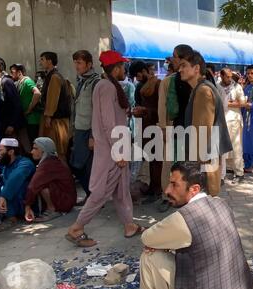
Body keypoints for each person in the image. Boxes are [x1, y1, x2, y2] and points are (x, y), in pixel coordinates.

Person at [66, 51, 145, 247]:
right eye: (122, 66)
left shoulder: (109, 86)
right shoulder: (106, 87)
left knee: (122, 191)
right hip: (113, 151)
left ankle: (129, 225)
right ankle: (77, 228)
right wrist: (118, 152)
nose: (124, 69)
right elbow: (108, 123)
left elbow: (113, 117)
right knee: (100, 193)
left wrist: (129, 112)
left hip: (116, 148)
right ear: (116, 67)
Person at [139, 162, 252, 289]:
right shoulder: (221, 203)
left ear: (194, 189)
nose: (167, 190)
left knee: (150, 256)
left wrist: (161, 244)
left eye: (174, 185)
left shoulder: (183, 219)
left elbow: (146, 238)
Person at [179, 50, 232, 196]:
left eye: (184, 65)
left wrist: (194, 166)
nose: (180, 69)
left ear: (196, 68)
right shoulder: (200, 88)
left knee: (207, 199)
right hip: (206, 157)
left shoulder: (203, 91)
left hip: (204, 159)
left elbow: (202, 132)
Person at [157, 45, 193, 212]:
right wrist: (164, 128)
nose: (172, 59)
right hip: (173, 128)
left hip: (192, 130)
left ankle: (187, 195)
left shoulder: (195, 81)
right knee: (170, 164)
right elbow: (162, 108)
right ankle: (168, 196)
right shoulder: (168, 82)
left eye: (175, 56)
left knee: (189, 163)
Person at [129, 61, 163, 203]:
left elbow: (161, 109)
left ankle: (157, 189)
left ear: (144, 70)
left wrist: (146, 111)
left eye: (138, 75)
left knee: (157, 160)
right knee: (150, 159)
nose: (137, 78)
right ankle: (152, 187)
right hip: (145, 126)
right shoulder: (140, 86)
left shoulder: (158, 84)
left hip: (156, 125)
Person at [69, 50, 100, 198]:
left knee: (87, 167)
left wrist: (93, 135)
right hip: (79, 129)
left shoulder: (96, 82)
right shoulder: (81, 80)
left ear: (89, 64)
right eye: (75, 62)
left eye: (79, 62)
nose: (76, 65)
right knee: (76, 164)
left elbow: (97, 111)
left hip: (89, 130)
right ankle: (91, 195)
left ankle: (93, 197)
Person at [24, 137, 76, 223]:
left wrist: (27, 206)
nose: (32, 151)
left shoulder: (48, 164)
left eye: (35, 149)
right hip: (69, 200)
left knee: (40, 185)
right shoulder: (52, 160)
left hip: (66, 202)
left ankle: (53, 210)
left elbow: (32, 186)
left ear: (44, 151)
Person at [0, 138, 36, 231]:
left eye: (0, 150)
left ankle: (11, 217)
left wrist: (3, 196)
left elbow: (16, 177)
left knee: (16, 186)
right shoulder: (5, 164)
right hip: (14, 202)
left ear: (11, 152)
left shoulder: (25, 163)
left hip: (28, 202)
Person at [38, 52, 73, 160]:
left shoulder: (54, 77)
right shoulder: (51, 76)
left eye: (42, 59)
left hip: (56, 121)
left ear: (49, 61)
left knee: (57, 150)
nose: (40, 62)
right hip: (54, 119)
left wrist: (48, 115)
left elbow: (52, 98)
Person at [0, 57, 26, 140]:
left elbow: (16, 104)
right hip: (1, 124)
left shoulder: (6, 82)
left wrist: (12, 124)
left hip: (9, 126)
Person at [218, 68, 246, 184]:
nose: (230, 79)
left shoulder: (237, 87)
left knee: (236, 147)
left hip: (234, 120)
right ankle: (221, 175)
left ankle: (239, 173)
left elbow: (243, 103)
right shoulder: (217, 86)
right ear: (222, 76)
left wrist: (227, 103)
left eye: (231, 77)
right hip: (221, 121)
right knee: (222, 149)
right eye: (227, 77)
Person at [9, 63, 42, 145]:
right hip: (27, 119)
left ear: (19, 72)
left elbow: (37, 93)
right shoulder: (20, 83)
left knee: (34, 143)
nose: (11, 75)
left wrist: (29, 109)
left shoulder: (27, 81)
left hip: (32, 119)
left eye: (12, 72)